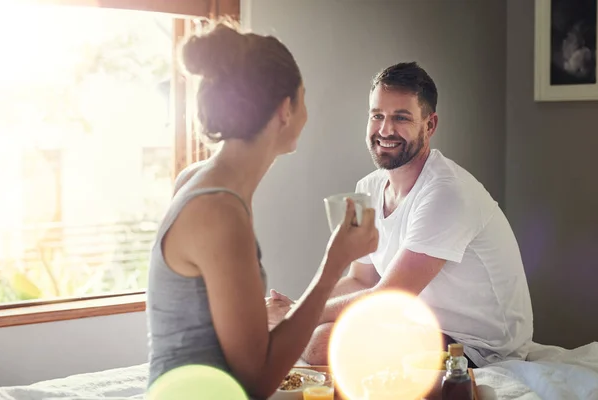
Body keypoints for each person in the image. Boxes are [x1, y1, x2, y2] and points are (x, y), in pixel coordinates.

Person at [145, 18, 379, 399]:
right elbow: (258, 379)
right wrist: (334, 264)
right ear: (285, 110)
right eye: (304, 96)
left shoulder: (204, 182)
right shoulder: (218, 211)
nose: (307, 112)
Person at [268, 62, 534, 369]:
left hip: (477, 347)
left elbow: (391, 297)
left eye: (401, 118)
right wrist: (301, 310)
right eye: (377, 115)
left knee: (321, 342)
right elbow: (360, 279)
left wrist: (294, 316)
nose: (385, 130)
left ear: (430, 125)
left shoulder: (446, 194)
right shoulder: (368, 187)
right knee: (316, 333)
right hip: (419, 325)